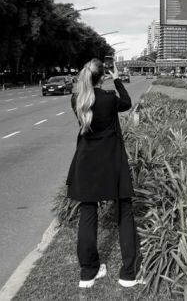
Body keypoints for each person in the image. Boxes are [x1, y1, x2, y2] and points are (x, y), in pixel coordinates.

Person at [66, 58, 143, 288]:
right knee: (125, 211)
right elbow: (127, 103)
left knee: (88, 214)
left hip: (86, 164)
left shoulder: (77, 100)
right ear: (103, 77)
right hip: (112, 162)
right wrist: (118, 80)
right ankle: (128, 275)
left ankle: (88, 274)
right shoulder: (109, 99)